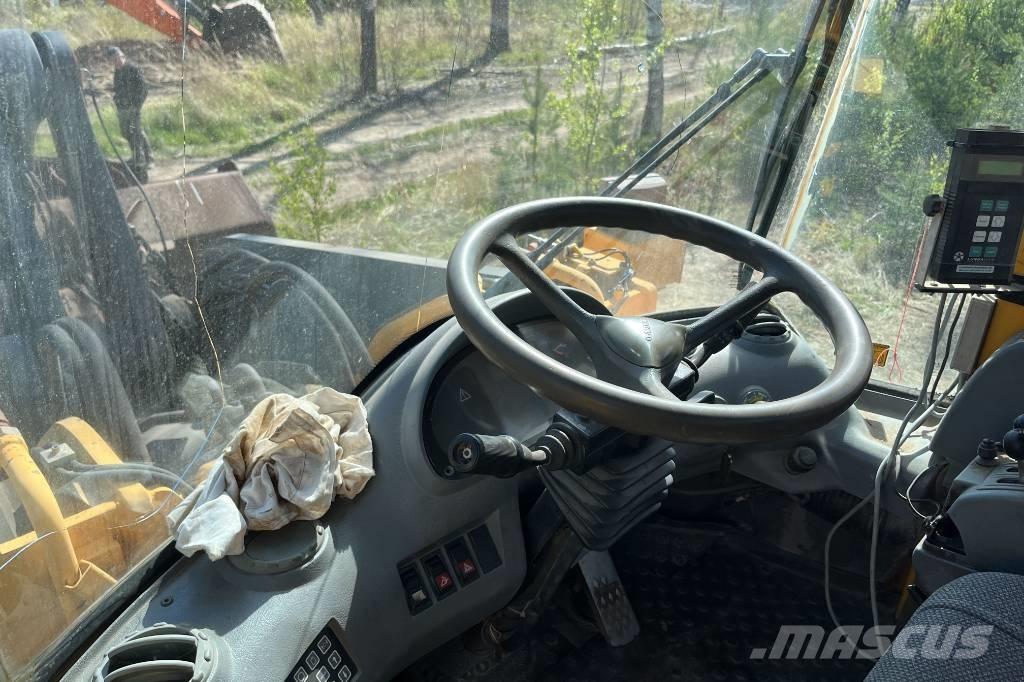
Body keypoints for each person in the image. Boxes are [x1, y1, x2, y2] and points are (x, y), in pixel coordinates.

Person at [107, 46, 152, 181]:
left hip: (133, 107)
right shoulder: (117, 72)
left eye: (118, 58)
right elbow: (118, 88)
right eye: (113, 60)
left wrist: (137, 105)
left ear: (122, 56)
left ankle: (141, 160)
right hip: (122, 108)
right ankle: (146, 156)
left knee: (135, 133)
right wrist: (115, 98)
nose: (117, 62)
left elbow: (144, 88)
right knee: (126, 132)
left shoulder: (133, 68)